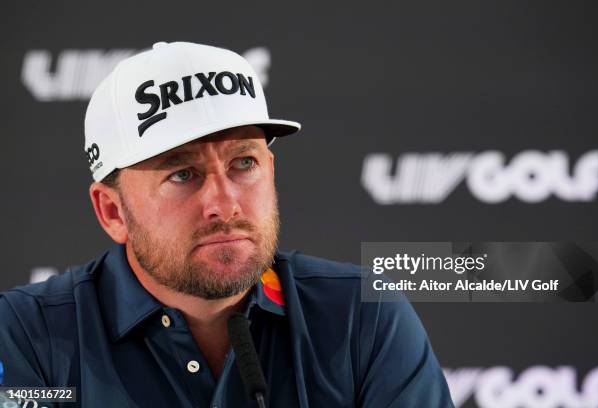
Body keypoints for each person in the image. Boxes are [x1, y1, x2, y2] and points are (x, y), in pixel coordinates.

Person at [0, 41, 453, 407]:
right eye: (182, 174)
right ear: (112, 212)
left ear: (271, 171)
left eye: (243, 163)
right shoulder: (25, 334)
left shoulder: (361, 315)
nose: (225, 202)